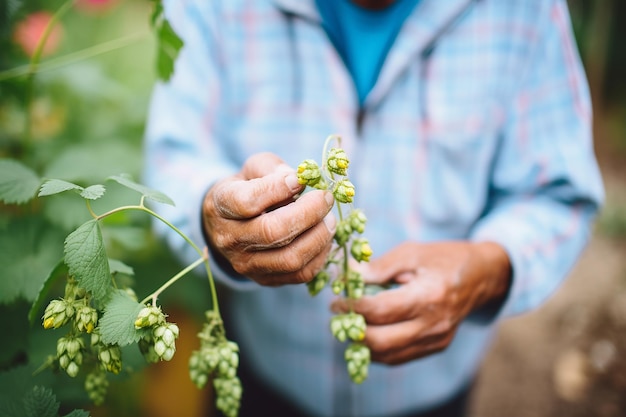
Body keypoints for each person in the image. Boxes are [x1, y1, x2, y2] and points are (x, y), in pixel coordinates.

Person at [143, 0, 605, 416]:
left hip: (433, 394)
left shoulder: (526, 12)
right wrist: (214, 214)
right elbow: (174, 158)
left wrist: (487, 268)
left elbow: (555, 194)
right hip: (262, 377)